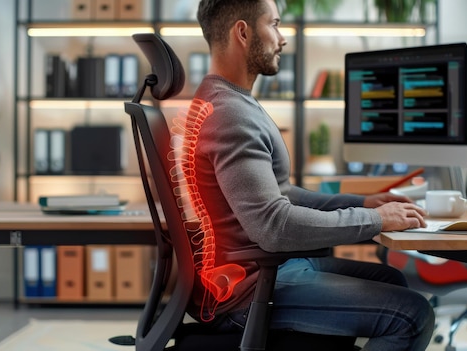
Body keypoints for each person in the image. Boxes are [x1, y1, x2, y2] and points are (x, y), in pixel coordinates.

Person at [186, 0, 436, 350]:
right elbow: (274, 227)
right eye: (273, 24)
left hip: (262, 270)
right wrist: (374, 219)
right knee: (413, 315)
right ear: (242, 33)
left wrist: (362, 202)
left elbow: (281, 193)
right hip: (248, 290)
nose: (282, 38)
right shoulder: (230, 115)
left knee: (391, 277)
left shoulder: (229, 101)